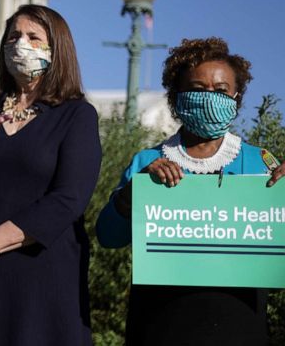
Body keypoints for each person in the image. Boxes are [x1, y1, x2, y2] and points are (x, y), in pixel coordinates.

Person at [95, 37, 284, 346]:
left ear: (236, 98)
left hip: (239, 326)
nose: (210, 97)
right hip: (161, 325)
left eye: (221, 91)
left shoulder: (260, 163)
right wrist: (134, 192)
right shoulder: (147, 162)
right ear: (176, 97)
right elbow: (108, 236)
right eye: (197, 89)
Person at [0, 4, 102, 346]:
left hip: (42, 281)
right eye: (14, 36)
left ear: (56, 50)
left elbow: (67, 200)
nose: (21, 44)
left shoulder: (76, 116)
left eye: (33, 37)